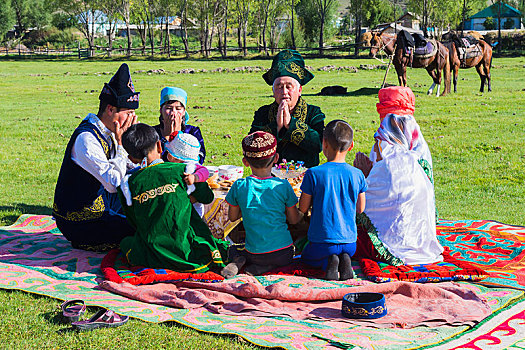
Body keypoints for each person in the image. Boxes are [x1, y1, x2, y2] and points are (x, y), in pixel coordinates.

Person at [53, 63, 139, 251]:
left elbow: (127, 169)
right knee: (142, 233)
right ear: (110, 110)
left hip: (102, 208)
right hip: (80, 222)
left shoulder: (109, 134)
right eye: (129, 113)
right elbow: (113, 184)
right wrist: (122, 145)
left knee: (146, 214)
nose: (133, 119)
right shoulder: (87, 139)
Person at [118, 123, 227, 272]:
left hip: (152, 253)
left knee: (126, 242)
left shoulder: (127, 184)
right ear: (159, 146)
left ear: (131, 158)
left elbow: (134, 222)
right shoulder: (184, 171)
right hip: (187, 252)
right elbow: (207, 197)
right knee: (202, 236)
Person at [353, 87, 443, 265]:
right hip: (422, 229)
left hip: (395, 238)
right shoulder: (420, 145)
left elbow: (372, 201)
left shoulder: (385, 149)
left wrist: (364, 176)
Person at [221, 131, 301, 278]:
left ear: (245, 162)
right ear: (276, 158)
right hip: (284, 253)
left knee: (233, 249)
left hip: (255, 254)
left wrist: (246, 209)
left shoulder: (240, 186)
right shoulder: (283, 185)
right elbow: (294, 220)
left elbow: (232, 217)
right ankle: (267, 267)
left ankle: (240, 261)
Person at [298, 120, 367, 281]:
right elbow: (360, 208)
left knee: (305, 255)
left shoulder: (313, 173)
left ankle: (328, 262)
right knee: (341, 251)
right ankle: (344, 259)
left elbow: (303, 207)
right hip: (350, 244)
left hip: (321, 243)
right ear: (351, 146)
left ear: (324, 144)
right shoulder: (357, 174)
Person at [249, 50, 325, 168]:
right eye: (279, 86)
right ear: (273, 91)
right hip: (270, 178)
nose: (284, 92)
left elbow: (318, 145)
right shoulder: (263, 113)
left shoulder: (314, 113)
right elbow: (251, 145)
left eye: (289, 87)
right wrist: (276, 127)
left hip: (304, 179)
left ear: (299, 90)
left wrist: (291, 124)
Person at [153, 87, 205, 164]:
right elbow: (154, 160)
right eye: (169, 108)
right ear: (161, 110)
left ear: (184, 111)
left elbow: (199, 159)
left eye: (178, 109)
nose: (173, 113)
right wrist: (166, 138)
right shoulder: (152, 132)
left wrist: (177, 136)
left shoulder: (193, 131)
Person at [164, 133, 210, 217]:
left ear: (171, 156)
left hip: (194, 211)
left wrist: (195, 177)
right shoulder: (172, 167)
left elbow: (205, 171)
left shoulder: (192, 167)